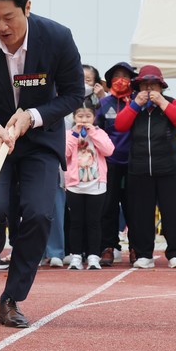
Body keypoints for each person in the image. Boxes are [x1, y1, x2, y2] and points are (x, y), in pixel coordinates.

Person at [0, 0, 84, 328]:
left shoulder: (57, 38)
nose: (1, 27)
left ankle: (11, 298)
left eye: (9, 17)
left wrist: (32, 116)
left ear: (27, 7)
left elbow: (73, 94)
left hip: (39, 139)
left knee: (39, 213)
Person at [114, 65, 176, 269]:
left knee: (173, 213)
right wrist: (135, 105)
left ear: (161, 87)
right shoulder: (132, 105)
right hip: (139, 169)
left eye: (153, 85)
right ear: (138, 87)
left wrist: (162, 102)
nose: (149, 89)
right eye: (144, 85)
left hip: (170, 169)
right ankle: (144, 254)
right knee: (140, 215)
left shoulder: (171, 102)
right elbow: (120, 125)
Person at [95, 62, 137, 266]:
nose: (121, 80)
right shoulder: (103, 104)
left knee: (134, 207)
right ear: (110, 80)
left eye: (126, 76)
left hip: (133, 163)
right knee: (108, 207)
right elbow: (97, 131)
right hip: (109, 163)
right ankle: (108, 247)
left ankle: (136, 247)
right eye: (117, 76)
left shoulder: (137, 102)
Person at [65, 99, 114, 270]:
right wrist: (74, 135)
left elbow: (108, 150)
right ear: (74, 117)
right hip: (74, 186)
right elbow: (64, 153)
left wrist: (93, 133)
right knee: (76, 222)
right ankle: (76, 256)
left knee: (94, 222)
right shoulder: (69, 134)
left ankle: (93, 256)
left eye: (88, 116)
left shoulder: (99, 133)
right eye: (80, 116)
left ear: (94, 117)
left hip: (96, 185)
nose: (84, 120)